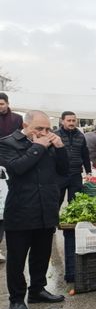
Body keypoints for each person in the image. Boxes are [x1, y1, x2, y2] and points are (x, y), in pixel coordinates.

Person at [0, 110, 69, 309]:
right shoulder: (8, 143)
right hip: (21, 210)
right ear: (25, 126)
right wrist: (38, 147)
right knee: (17, 259)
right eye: (39, 128)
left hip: (46, 208)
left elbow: (64, 170)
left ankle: (37, 290)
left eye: (47, 128)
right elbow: (17, 168)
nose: (44, 132)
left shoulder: (49, 143)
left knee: (41, 255)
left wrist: (60, 148)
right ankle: (17, 299)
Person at [54, 111, 92, 282]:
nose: (71, 123)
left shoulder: (80, 135)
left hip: (76, 173)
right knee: (57, 200)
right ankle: (53, 224)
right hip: (60, 174)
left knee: (75, 202)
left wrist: (88, 170)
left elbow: (85, 153)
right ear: (62, 121)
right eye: (69, 120)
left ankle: (74, 226)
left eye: (74, 120)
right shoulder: (55, 135)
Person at [0, 93, 23, 263]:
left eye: (1, 104)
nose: (0, 107)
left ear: (7, 103)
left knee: (9, 203)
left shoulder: (17, 118)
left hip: (12, 164)